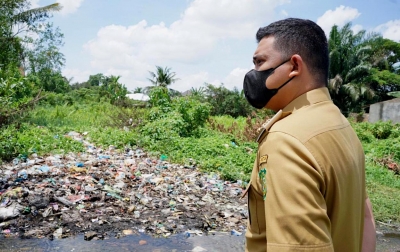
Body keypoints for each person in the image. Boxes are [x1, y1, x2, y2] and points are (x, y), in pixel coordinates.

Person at [242, 18, 376, 252]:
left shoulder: (286, 141)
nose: (254, 73)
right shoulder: (341, 125)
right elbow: (365, 218)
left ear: (294, 66)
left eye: (260, 62)